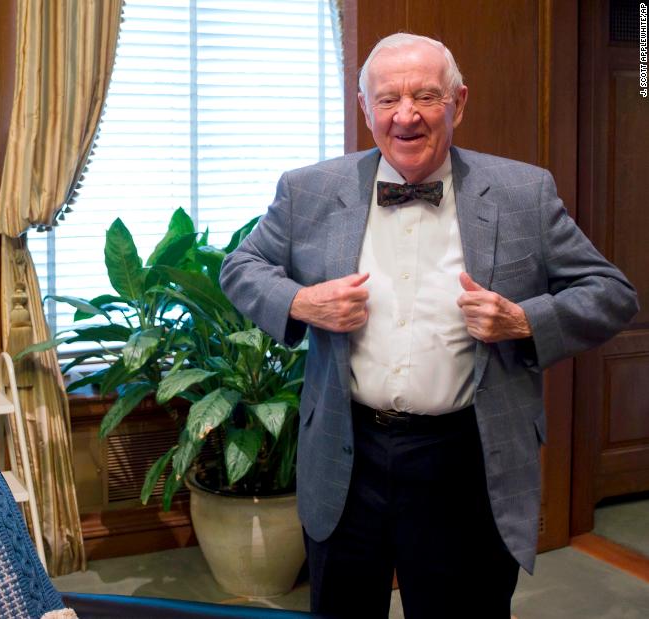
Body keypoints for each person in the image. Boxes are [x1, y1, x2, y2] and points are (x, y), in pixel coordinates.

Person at [219, 33, 637, 618]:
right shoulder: (309, 189)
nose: (406, 115)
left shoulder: (524, 193)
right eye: (387, 99)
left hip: (466, 459)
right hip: (346, 452)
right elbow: (240, 268)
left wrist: (523, 319)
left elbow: (613, 294)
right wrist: (300, 303)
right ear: (365, 109)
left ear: (459, 103)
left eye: (426, 96)